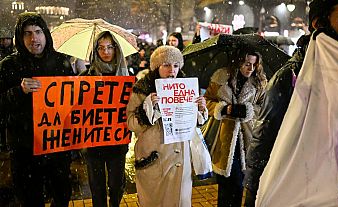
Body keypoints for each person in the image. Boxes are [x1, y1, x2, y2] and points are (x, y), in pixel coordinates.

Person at [244, 0, 338, 206]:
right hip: (304, 187)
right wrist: (253, 191)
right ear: (319, 24)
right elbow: (264, 139)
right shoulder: (291, 76)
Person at [0, 12, 73, 206]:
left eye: (38, 32)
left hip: (57, 148)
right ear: (19, 37)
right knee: (30, 199)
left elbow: (74, 103)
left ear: (46, 34)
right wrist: (18, 92)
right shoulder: (8, 66)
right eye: (27, 33)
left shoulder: (61, 63)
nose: (34, 38)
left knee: (61, 196)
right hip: (25, 150)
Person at [126, 45, 208, 207]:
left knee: (180, 200)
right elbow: (131, 124)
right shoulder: (142, 89)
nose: (172, 70)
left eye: (176, 65)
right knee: (156, 201)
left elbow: (196, 123)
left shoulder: (187, 87)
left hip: (180, 157)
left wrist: (200, 108)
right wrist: (148, 109)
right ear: (157, 67)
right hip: (154, 157)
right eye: (167, 65)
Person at [204, 49, 267, 207]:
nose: (250, 68)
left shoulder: (259, 82)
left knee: (239, 184)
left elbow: (263, 108)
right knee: (224, 185)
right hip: (223, 138)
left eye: (254, 64)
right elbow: (207, 101)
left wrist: (248, 110)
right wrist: (223, 109)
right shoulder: (221, 77)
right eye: (247, 64)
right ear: (238, 62)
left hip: (246, 139)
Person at [80, 31, 130, 207]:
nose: (106, 52)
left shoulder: (126, 78)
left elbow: (132, 108)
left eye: (109, 47)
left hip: (117, 141)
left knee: (116, 185)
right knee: (97, 186)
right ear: (95, 51)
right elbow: (75, 107)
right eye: (101, 48)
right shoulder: (85, 78)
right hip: (93, 143)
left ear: (116, 49)